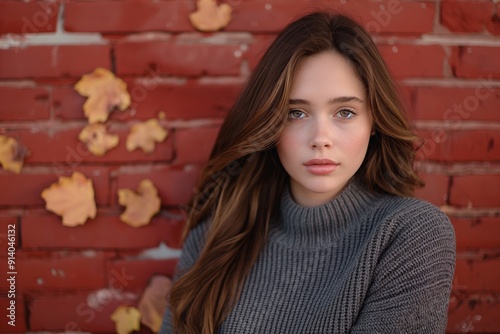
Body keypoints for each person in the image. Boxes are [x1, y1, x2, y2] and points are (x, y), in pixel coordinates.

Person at [160, 11, 456, 334]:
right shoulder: (216, 233)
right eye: (296, 113)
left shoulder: (409, 234)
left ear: (374, 122)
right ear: (269, 123)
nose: (320, 139)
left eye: (344, 112)